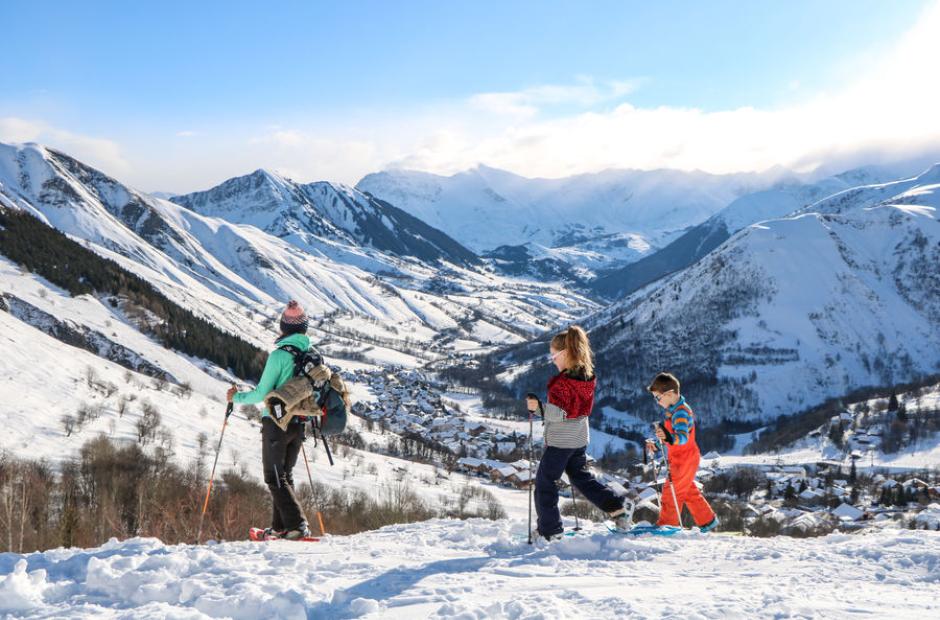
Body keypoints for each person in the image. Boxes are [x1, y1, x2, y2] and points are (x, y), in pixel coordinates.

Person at [226, 300, 328, 540]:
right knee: (285, 475)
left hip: (276, 423)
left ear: (283, 327)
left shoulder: (279, 356)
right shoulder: (314, 356)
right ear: (304, 328)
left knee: (273, 476)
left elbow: (262, 394)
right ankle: (280, 527)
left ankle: (297, 526)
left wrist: (236, 397)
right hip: (299, 422)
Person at [526, 326, 630, 539]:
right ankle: (617, 507)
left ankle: (549, 530)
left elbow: (562, 413)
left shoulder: (562, 384)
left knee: (545, 483)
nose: (553, 360)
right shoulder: (586, 378)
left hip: (561, 442)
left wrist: (538, 408)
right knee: (581, 477)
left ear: (565, 354)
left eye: (554, 356)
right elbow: (576, 410)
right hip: (579, 439)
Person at [646, 372, 719, 532]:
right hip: (681, 458)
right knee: (687, 491)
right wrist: (657, 444)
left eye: (658, 398)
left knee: (671, 491)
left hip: (685, 459)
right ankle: (708, 520)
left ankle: (667, 525)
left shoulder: (681, 413)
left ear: (670, 393)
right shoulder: (673, 411)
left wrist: (667, 437)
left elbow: (682, 437)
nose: (657, 402)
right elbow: (670, 437)